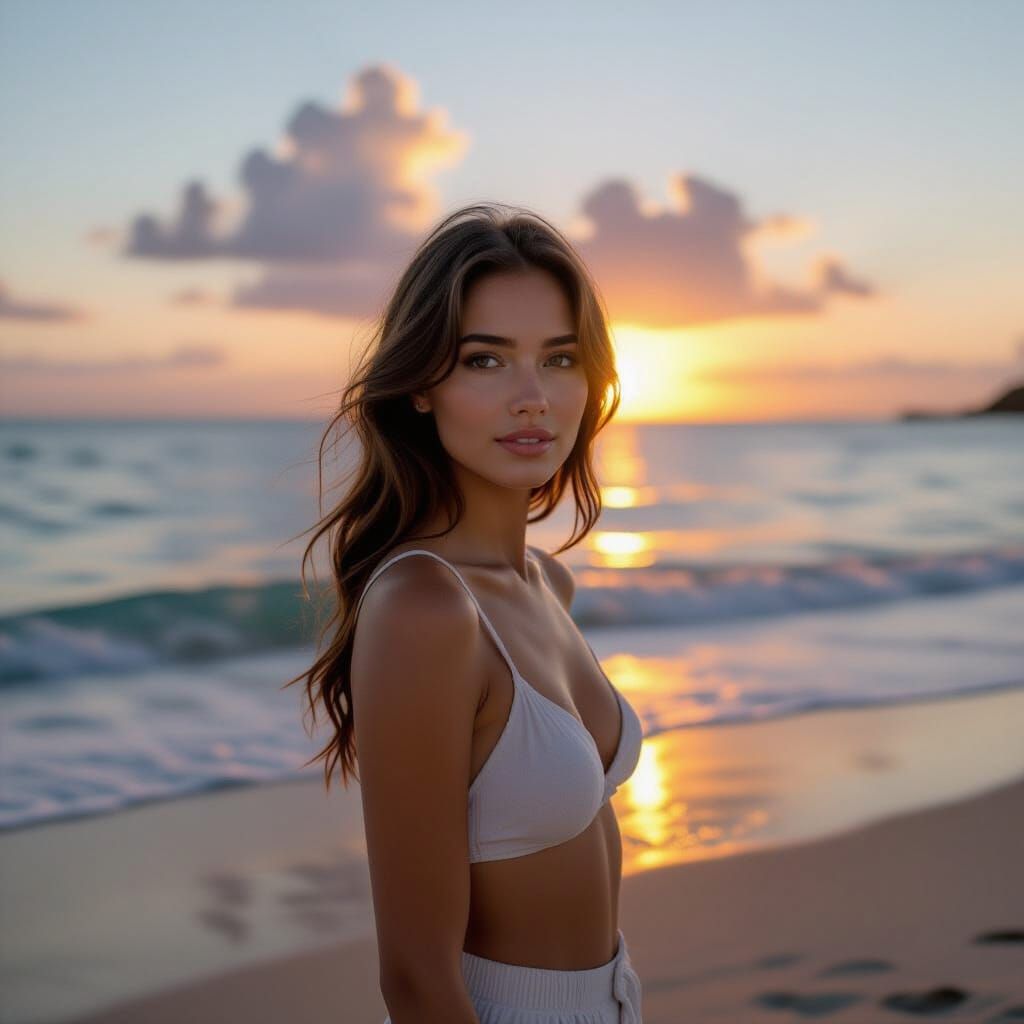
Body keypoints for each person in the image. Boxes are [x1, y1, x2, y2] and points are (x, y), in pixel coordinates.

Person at [285, 202, 645, 1023]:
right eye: (486, 361)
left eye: (559, 359)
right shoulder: (423, 609)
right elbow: (414, 981)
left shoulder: (546, 585)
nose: (533, 398)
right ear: (420, 386)